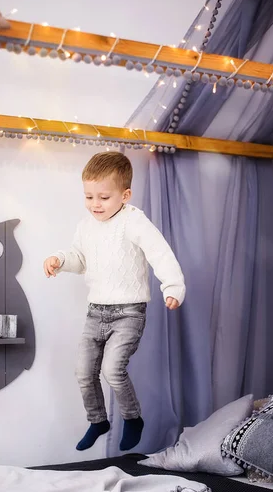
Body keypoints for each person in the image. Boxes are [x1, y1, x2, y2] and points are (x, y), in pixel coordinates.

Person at [44, 152, 185, 452]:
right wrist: (59, 259)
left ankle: (132, 419)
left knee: (112, 369)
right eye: (89, 196)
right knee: (83, 371)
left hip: (129, 313)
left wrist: (173, 286)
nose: (95, 204)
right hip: (96, 312)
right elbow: (79, 259)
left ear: (125, 194)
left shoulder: (133, 221)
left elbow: (159, 253)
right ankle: (98, 421)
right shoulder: (86, 225)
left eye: (104, 197)